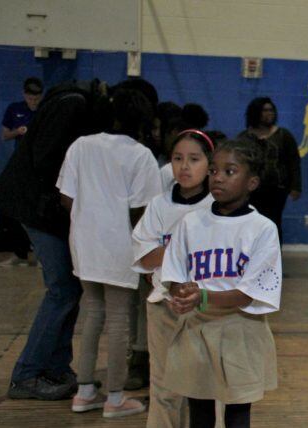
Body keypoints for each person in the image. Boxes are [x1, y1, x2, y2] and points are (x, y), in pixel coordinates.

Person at [0, 78, 111, 400]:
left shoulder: (69, 101)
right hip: (38, 208)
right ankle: (27, 374)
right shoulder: (74, 105)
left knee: (67, 288)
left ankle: (56, 368)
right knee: (62, 290)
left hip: (40, 207)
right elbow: (47, 159)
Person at [160, 139, 281, 428]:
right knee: (199, 408)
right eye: (214, 170)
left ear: (251, 182)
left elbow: (246, 294)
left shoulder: (262, 228)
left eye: (230, 172)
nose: (218, 178)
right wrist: (181, 293)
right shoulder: (191, 222)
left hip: (240, 328)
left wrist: (200, 296)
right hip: (197, 325)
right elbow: (174, 273)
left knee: (237, 412)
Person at [58, 88, 161, 418]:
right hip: (119, 246)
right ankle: (115, 399)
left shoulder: (81, 145)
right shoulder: (140, 155)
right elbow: (143, 210)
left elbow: (66, 198)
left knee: (92, 314)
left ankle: (85, 391)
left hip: (84, 244)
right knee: (118, 320)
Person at [131, 129, 215, 427]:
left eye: (194, 159)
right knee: (164, 387)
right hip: (163, 308)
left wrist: (169, 251)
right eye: (178, 159)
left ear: (209, 165)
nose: (185, 166)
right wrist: (182, 249)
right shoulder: (159, 205)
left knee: (205, 390)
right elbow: (144, 255)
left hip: (206, 310)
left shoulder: (218, 209)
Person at [238, 97, 302, 243]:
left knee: (273, 223)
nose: (270, 114)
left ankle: (273, 257)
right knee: (250, 222)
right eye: (265, 111)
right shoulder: (243, 138)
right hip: (251, 190)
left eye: (271, 110)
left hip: (277, 189)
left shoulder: (283, 135)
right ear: (255, 113)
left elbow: (294, 162)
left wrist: (296, 187)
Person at [0, 77, 44, 267]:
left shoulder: (44, 110)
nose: (34, 101)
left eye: (37, 97)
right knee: (16, 213)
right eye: (31, 97)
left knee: (37, 213)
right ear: (25, 94)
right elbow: (4, 135)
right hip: (19, 167)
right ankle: (19, 253)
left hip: (39, 169)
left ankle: (41, 255)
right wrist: (18, 132)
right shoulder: (15, 109)